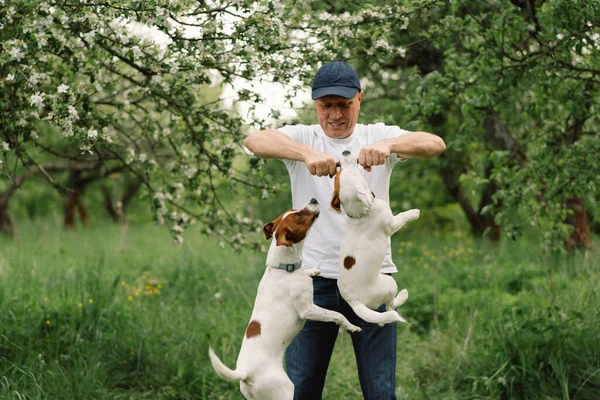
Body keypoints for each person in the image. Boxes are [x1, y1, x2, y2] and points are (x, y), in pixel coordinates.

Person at [243, 61, 445, 400]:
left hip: (369, 279)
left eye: (344, 104)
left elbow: (435, 143)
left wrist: (390, 147)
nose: (335, 114)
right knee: (301, 389)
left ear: (359, 99)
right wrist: (306, 153)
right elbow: (254, 140)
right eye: (326, 106)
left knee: (380, 392)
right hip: (312, 283)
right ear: (315, 105)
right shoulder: (303, 138)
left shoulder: (375, 136)